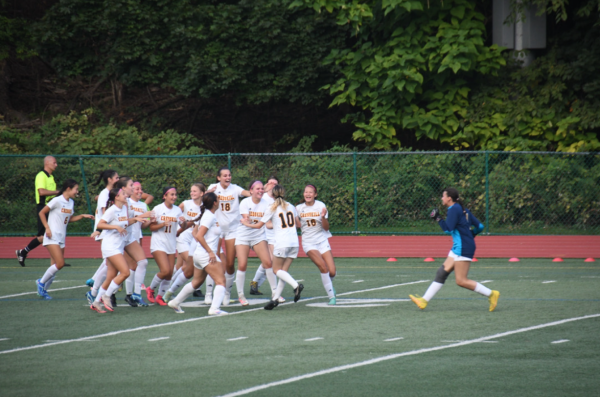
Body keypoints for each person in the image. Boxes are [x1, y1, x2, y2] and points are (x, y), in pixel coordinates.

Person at [409, 188, 500, 311]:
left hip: (463, 248)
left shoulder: (453, 209)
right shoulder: (463, 210)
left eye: (443, 196)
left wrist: (438, 218)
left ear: (449, 198)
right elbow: (480, 226)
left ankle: (491, 294)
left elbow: (448, 229)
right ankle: (424, 301)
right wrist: (471, 235)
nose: (442, 198)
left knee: (461, 281)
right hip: (460, 246)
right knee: (441, 273)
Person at [241, 184, 303, 310]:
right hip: (294, 243)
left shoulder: (272, 207)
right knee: (283, 273)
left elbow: (259, 225)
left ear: (272, 195)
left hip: (282, 243)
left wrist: (245, 224)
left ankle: (296, 285)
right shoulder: (291, 206)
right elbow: (297, 224)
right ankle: (275, 299)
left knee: (276, 270)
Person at [91, 188, 150, 313]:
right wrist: (116, 227)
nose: (126, 196)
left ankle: (96, 302)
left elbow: (124, 223)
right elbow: (100, 225)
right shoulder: (111, 210)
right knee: (125, 272)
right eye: (123, 194)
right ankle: (106, 296)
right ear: (116, 197)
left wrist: (136, 219)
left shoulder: (123, 208)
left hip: (118, 245)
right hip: (110, 246)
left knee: (111, 276)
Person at [168, 192, 228, 315]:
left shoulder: (208, 215)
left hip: (199, 255)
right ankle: (214, 309)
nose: (220, 200)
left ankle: (175, 302)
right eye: (218, 199)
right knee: (221, 281)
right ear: (215, 203)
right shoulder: (209, 216)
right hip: (205, 255)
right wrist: (210, 252)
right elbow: (199, 235)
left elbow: (195, 233)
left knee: (196, 282)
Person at [35, 179, 94, 299]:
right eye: (76, 189)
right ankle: (40, 283)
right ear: (68, 188)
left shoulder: (71, 202)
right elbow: (42, 213)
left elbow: (68, 219)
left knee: (54, 267)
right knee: (60, 263)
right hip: (52, 236)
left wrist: (82, 216)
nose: (77, 192)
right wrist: (47, 228)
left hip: (61, 238)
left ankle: (43, 291)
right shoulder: (56, 200)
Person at [207, 167, 251, 306]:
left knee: (230, 263)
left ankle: (226, 293)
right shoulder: (213, 188)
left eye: (229, 175)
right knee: (213, 260)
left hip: (233, 230)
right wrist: (208, 193)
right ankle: (209, 294)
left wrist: (261, 191)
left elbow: (248, 193)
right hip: (217, 230)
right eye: (225, 175)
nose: (228, 177)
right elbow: (204, 201)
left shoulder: (235, 189)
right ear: (218, 177)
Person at [234, 180, 278, 306]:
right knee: (242, 265)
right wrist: (246, 219)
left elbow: (265, 224)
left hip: (258, 236)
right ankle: (241, 295)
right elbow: (245, 217)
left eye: (261, 189)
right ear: (251, 191)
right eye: (257, 189)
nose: (260, 191)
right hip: (243, 236)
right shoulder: (245, 202)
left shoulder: (267, 205)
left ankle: (275, 293)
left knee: (268, 263)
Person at [164, 183, 206, 302]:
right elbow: (174, 212)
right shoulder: (186, 204)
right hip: (182, 237)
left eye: (195, 191)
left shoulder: (204, 206)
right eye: (191, 191)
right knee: (190, 266)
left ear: (202, 193)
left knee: (187, 267)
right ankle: (168, 291)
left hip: (195, 239)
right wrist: (177, 228)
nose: (192, 193)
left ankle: (169, 289)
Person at [146, 187, 187, 306]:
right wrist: (162, 224)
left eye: (175, 194)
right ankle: (151, 288)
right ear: (165, 196)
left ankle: (160, 297)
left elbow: (183, 227)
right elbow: (152, 228)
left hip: (171, 244)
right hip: (158, 243)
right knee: (165, 270)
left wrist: (183, 222)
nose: (174, 197)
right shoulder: (158, 209)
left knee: (169, 274)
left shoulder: (177, 210)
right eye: (171, 195)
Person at [296, 184, 336, 305]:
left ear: (315, 194)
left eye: (310, 192)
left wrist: (323, 217)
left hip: (322, 240)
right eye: (306, 192)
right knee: (323, 267)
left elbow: (326, 227)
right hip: (308, 242)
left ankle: (329, 285)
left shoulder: (320, 206)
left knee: (332, 272)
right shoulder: (298, 208)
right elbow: (297, 225)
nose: (308, 194)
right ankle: (331, 296)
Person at [17, 156, 60, 267]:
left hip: (51, 208)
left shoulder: (51, 177)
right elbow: (41, 192)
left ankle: (57, 261)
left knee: (51, 235)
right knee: (43, 236)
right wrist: (58, 192)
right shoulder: (41, 175)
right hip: (43, 208)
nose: (56, 165)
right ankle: (23, 252)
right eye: (54, 163)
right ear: (47, 163)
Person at [249, 176, 279, 296]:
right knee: (270, 261)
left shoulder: (278, 200)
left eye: (275, 184)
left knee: (271, 261)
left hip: (275, 235)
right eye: (270, 183)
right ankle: (261, 285)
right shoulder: (264, 197)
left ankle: (256, 283)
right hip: (263, 234)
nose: (273, 185)